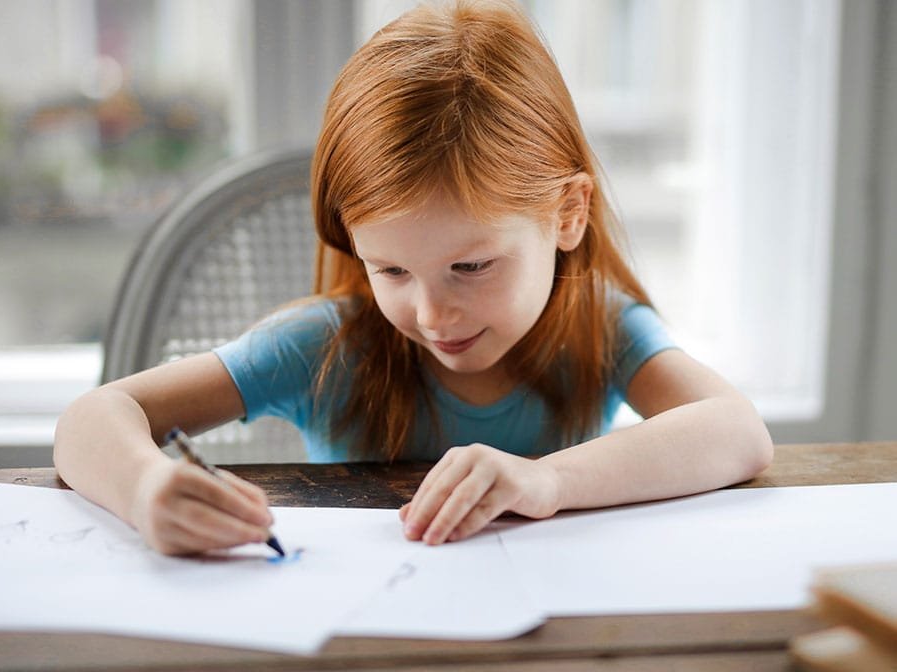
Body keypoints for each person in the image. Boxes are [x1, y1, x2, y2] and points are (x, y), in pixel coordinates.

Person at [54, 0, 773, 556]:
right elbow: (92, 419)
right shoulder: (321, 347)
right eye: (391, 269)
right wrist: (145, 488)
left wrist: (550, 480)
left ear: (568, 213)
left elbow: (738, 432)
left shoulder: (601, 325)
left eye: (471, 266)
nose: (432, 314)